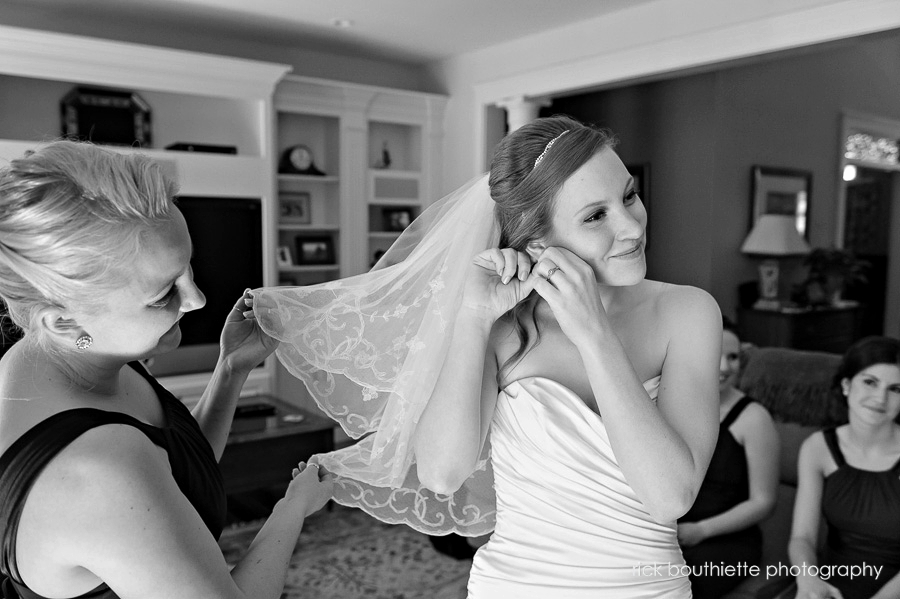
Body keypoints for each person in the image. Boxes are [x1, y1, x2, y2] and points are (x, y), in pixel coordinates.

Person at [251, 115, 721, 597]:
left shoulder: (688, 313)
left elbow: (671, 497)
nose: (631, 226)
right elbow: (440, 473)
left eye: (628, 196)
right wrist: (473, 318)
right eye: (595, 216)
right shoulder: (503, 328)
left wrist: (594, 335)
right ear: (538, 242)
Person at [0, 141, 333, 599]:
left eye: (188, 267)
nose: (196, 300)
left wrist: (231, 368)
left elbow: (176, 470)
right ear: (65, 320)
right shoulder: (95, 472)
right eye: (163, 295)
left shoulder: (60, 355)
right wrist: (292, 508)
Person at [788, 335, 900, 599]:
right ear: (847, 385)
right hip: (833, 588)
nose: (880, 398)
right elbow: (802, 536)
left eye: (896, 389)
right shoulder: (817, 447)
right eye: (870, 382)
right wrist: (808, 579)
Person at [677, 316, 780, 598]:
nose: (725, 367)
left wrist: (700, 530)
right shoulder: (672, 403)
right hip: (670, 532)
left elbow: (764, 501)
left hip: (725, 541)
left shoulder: (755, 419)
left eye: (733, 357)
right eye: (715, 354)